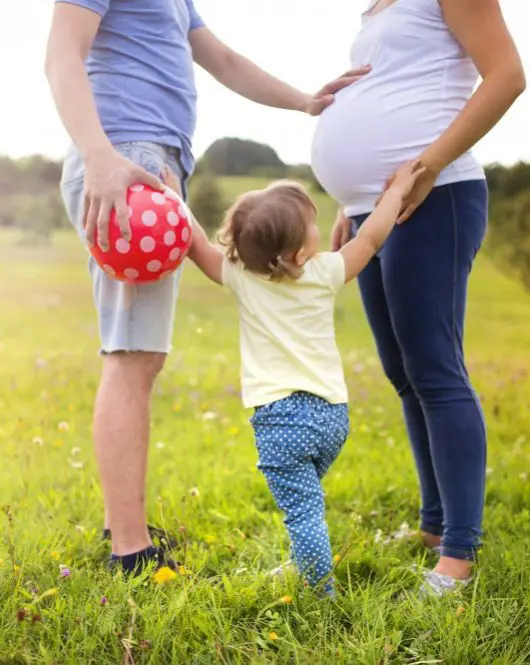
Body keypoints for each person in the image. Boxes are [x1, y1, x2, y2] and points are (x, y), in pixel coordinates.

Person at [45, 0, 370, 575]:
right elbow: (61, 54)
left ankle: (124, 527)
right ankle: (129, 549)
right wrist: (100, 157)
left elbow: (221, 59)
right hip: (125, 162)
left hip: (149, 162)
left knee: (138, 353)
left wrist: (304, 101)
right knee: (132, 355)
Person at [310, 0, 526, 596]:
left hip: (438, 196)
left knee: (435, 370)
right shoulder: (375, 7)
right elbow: (390, 97)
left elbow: (507, 75)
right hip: (373, 212)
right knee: (404, 373)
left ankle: (458, 554)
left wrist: (429, 165)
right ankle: (433, 529)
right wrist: (348, 203)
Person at [172, 161, 424, 594]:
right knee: (306, 501)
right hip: (332, 418)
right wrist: (398, 191)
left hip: (282, 420)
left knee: (304, 510)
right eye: (311, 224)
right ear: (299, 253)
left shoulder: (242, 277)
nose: (317, 226)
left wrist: (173, 199)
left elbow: (196, 246)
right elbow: (371, 237)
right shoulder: (324, 273)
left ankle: (320, 592)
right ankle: (305, 562)